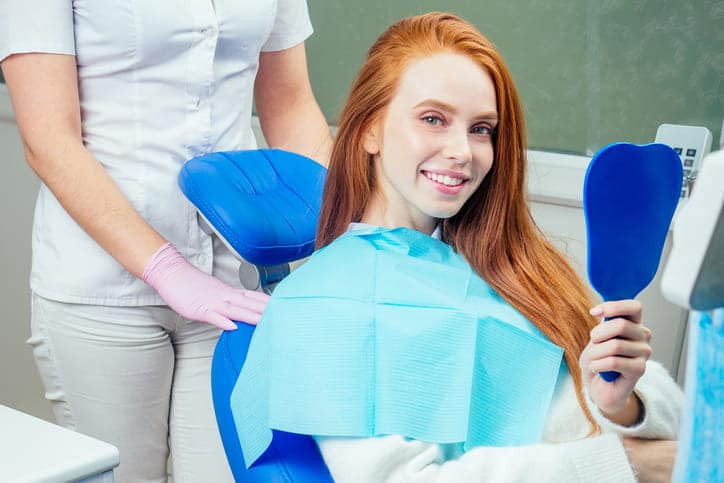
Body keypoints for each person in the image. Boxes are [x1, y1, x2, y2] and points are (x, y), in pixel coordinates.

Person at [231, 12, 682, 483]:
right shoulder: (323, 307)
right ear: (368, 130)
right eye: (433, 119)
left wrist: (622, 405)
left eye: (481, 129)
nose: (463, 151)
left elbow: (674, 442)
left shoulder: (515, 268)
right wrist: (624, 463)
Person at [0, 0, 332, 481]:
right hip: (104, 287)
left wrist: (345, 234)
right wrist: (168, 268)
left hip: (234, 280)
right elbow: (49, 138)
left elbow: (290, 103)